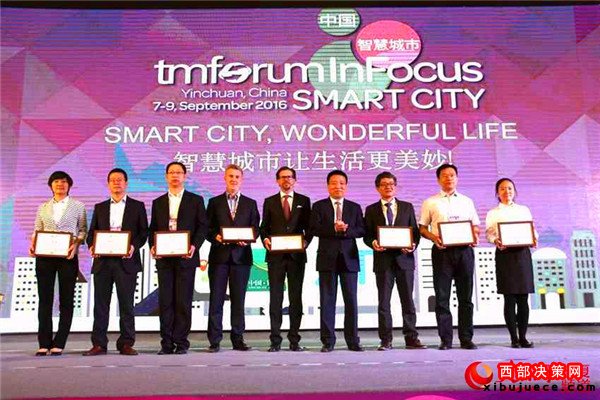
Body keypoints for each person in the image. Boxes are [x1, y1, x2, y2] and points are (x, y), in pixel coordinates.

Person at [84, 168, 148, 356]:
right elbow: (91, 233)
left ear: (126, 183)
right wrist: (92, 246)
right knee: (100, 305)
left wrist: (133, 247)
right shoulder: (100, 207)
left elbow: (143, 232)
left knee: (127, 304)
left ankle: (126, 343)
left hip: (126, 262)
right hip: (103, 262)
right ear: (108, 184)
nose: (116, 182)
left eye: (120, 179)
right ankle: (99, 344)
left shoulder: (137, 206)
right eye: (113, 180)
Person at [419, 164, 480, 350]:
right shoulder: (430, 202)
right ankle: (445, 340)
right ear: (438, 179)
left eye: (452, 175)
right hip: (442, 251)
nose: (449, 178)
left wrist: (475, 236)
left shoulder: (467, 201)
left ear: (457, 178)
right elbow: (422, 228)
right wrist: (434, 238)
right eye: (445, 175)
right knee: (442, 297)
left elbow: (475, 226)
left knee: (466, 297)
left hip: (464, 251)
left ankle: (466, 338)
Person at [149, 161, 207, 355]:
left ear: (185, 176)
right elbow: (153, 228)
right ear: (166, 176)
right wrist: (153, 246)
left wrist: (194, 246)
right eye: (171, 172)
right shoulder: (158, 202)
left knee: (183, 301)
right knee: (165, 301)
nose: (175, 175)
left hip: (186, 258)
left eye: (179, 172)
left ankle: (181, 342)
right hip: (164, 259)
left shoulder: (195, 200)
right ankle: (166, 343)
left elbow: (202, 227)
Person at [364, 172, 426, 351]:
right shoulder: (371, 209)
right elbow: (367, 234)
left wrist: (412, 245)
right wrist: (373, 243)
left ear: (395, 186)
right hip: (383, 261)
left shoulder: (407, 207)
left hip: (404, 260)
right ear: (377, 188)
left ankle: (411, 338)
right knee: (384, 302)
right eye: (384, 184)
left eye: (391, 184)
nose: (388, 187)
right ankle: (386, 340)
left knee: (408, 301)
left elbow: (414, 232)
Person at [29, 171, 87, 356]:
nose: (60, 184)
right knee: (45, 299)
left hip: (67, 258)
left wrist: (75, 246)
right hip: (44, 257)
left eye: (63, 181)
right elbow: (37, 229)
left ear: (69, 185)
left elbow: (83, 231)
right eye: (56, 181)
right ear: (50, 185)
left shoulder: (78, 206)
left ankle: (59, 342)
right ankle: (44, 342)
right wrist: (33, 245)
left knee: (66, 300)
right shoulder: (43, 207)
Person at [206, 164, 260, 353]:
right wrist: (216, 237)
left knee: (238, 300)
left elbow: (256, 228)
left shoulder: (250, 203)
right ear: (225, 178)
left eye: (237, 176)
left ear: (241, 179)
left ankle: (238, 339)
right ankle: (214, 340)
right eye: (230, 176)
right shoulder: (214, 202)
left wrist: (249, 239)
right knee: (216, 300)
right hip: (219, 257)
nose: (233, 179)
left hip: (241, 257)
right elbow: (207, 228)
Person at [310, 170, 365, 352]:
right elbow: (313, 229)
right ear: (328, 186)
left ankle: (353, 340)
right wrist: (334, 229)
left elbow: (361, 230)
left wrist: (346, 230)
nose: (338, 186)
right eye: (334, 183)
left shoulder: (354, 207)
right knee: (327, 300)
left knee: (351, 301)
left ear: (346, 186)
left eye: (341, 183)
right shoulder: (319, 206)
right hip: (327, 258)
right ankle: (328, 341)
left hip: (349, 259)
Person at [259, 166, 312, 352]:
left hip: (297, 256)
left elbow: (309, 227)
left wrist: (306, 241)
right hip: (276, 256)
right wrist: (265, 239)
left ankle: (294, 340)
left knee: (295, 298)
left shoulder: (304, 201)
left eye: (289, 177)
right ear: (277, 181)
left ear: (295, 180)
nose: (286, 180)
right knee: (276, 298)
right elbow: (264, 227)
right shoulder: (270, 201)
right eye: (282, 177)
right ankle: (275, 340)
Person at [485, 178, 537, 348]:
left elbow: (531, 229)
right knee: (509, 298)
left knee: (523, 298)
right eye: (502, 189)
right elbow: (489, 233)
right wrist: (496, 240)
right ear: (497, 193)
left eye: (509, 188)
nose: (506, 191)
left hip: (522, 255)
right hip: (505, 255)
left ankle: (523, 337)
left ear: (514, 191)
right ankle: (513, 338)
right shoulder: (493, 213)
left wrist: (534, 238)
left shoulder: (523, 210)